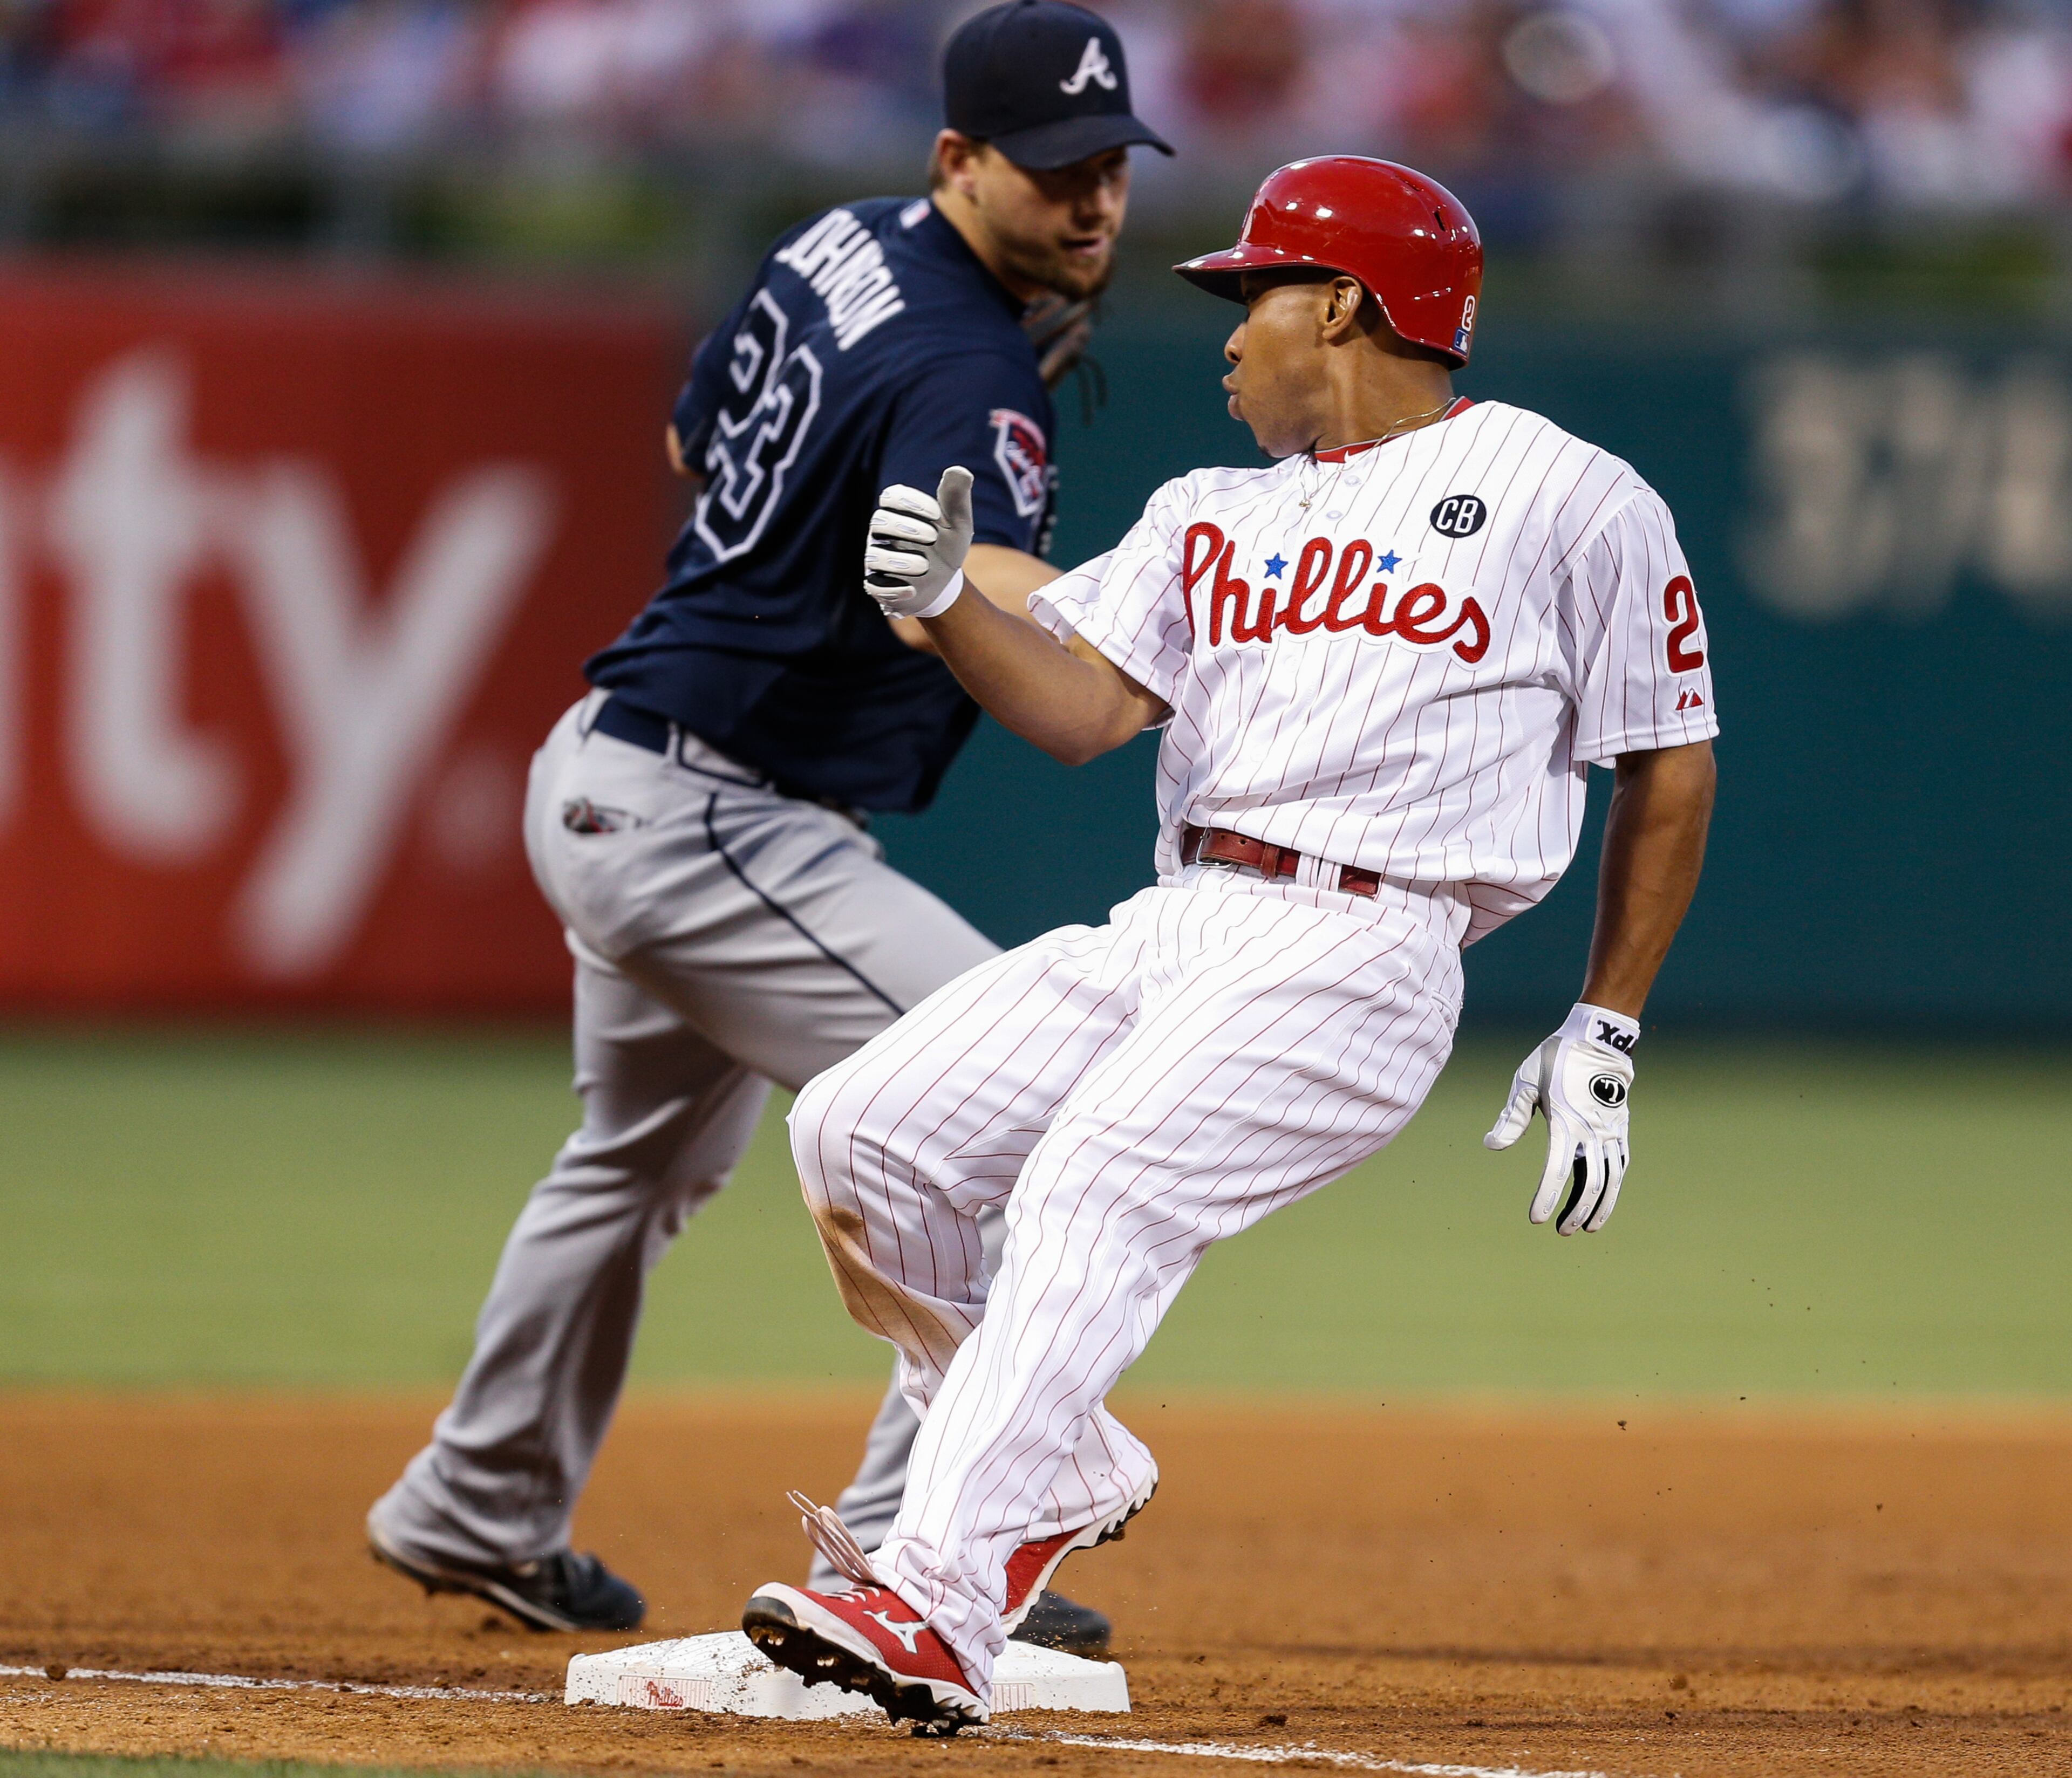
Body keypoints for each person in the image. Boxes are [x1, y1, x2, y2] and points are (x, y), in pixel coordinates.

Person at [739, 154, 1720, 1731]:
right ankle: (1059, 1465)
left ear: (1341, 303)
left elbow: (1671, 756)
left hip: (1366, 945)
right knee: (868, 1134)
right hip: (1180, 916)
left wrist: (1607, 1022)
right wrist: (948, 607)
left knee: (1091, 1188)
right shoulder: (1210, 515)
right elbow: (1080, 712)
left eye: (1251, 295)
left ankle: (936, 1600)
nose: (1225, 333)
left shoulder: (1572, 493)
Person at [364, 0, 1172, 1655]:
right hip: (717, 815)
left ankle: (475, 1502)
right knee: (1021, 1109)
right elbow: (948, 609)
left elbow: (688, 436)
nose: (1091, 204)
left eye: (1111, 168)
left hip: (621, 771)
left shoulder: (841, 245)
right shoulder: (968, 363)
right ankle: (906, 1545)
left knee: (633, 1166)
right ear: (961, 159)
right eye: (1053, 172)